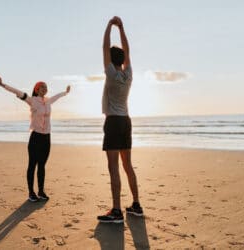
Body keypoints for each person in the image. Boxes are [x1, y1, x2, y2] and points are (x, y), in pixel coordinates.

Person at [97, 16, 143, 223]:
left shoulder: (111, 74)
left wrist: (109, 25)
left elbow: (105, 48)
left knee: (114, 168)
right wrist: (122, 28)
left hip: (114, 122)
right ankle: (136, 204)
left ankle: (116, 211)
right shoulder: (129, 74)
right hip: (126, 121)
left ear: (111, 60)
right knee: (128, 166)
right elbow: (127, 50)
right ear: (123, 60)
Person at [0, 75, 70, 202]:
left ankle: (41, 191)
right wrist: (2, 85)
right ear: (36, 89)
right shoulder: (31, 100)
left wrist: (66, 92)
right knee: (32, 165)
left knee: (42, 165)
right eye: (42, 87)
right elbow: (17, 91)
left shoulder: (48, 101)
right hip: (36, 137)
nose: (44, 89)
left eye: (46, 87)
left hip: (47, 137)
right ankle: (31, 192)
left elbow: (57, 96)